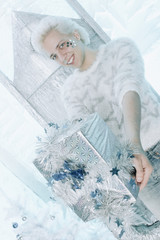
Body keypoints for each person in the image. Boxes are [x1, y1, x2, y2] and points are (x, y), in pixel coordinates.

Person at [31, 16, 160, 218]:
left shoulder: (119, 48)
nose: (62, 57)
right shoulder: (70, 92)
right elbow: (90, 136)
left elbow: (128, 87)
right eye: (54, 56)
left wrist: (134, 144)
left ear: (75, 35)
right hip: (141, 173)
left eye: (62, 46)